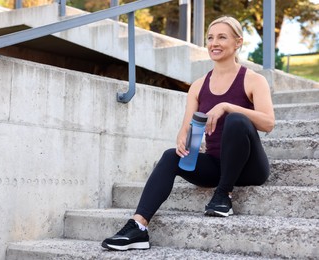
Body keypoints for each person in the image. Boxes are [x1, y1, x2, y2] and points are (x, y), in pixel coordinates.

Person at [101, 16, 275, 251]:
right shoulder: (198, 85)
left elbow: (268, 123)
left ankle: (224, 196)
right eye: (210, 38)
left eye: (222, 37)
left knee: (235, 119)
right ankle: (138, 227)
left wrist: (227, 106)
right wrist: (185, 142)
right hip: (216, 164)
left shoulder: (254, 80)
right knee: (170, 155)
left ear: (238, 42)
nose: (214, 43)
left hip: (250, 168)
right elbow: (186, 129)